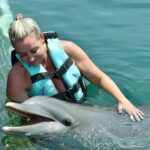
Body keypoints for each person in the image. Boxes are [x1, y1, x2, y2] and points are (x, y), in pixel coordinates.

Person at [7, 13, 144, 122]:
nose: (31, 59)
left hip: (83, 108)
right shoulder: (17, 77)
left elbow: (99, 78)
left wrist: (124, 101)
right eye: (22, 55)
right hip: (54, 120)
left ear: (42, 38)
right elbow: (23, 116)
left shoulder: (69, 49)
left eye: (34, 50)